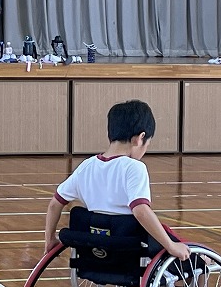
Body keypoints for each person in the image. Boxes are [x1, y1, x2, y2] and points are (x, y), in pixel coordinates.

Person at [43, 100, 190, 261]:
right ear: (140, 138)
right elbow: (140, 211)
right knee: (201, 258)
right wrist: (170, 245)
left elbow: (55, 204)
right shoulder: (134, 167)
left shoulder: (87, 166)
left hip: (97, 252)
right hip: (130, 250)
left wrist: (50, 239)